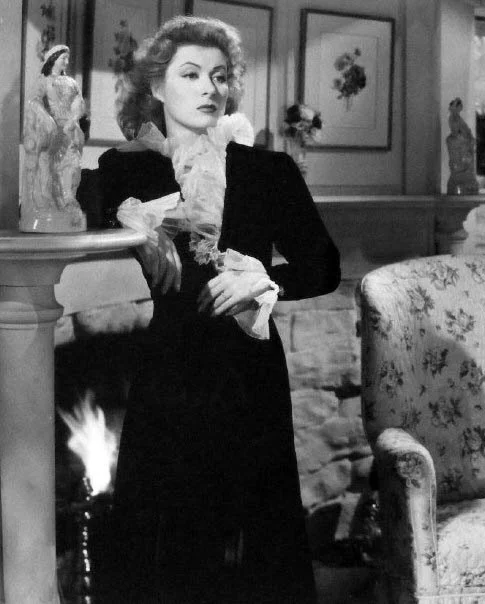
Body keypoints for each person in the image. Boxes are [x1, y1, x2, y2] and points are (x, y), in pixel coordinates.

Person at [98, 16, 340, 603]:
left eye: (221, 76)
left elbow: (324, 266)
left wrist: (264, 281)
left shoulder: (269, 171)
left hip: (248, 372)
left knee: (257, 538)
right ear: (157, 87)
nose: (210, 87)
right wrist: (137, 224)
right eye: (191, 74)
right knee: (170, 538)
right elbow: (79, 203)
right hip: (171, 369)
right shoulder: (126, 169)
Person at [21, 44, 87, 231]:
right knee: (50, 166)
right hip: (52, 129)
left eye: (67, 58)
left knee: (72, 163)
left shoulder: (71, 82)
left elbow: (79, 103)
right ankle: (47, 200)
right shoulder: (44, 81)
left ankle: (68, 198)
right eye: (63, 58)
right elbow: (34, 101)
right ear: (53, 59)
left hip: (69, 128)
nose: (66, 61)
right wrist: (46, 119)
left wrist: (73, 119)